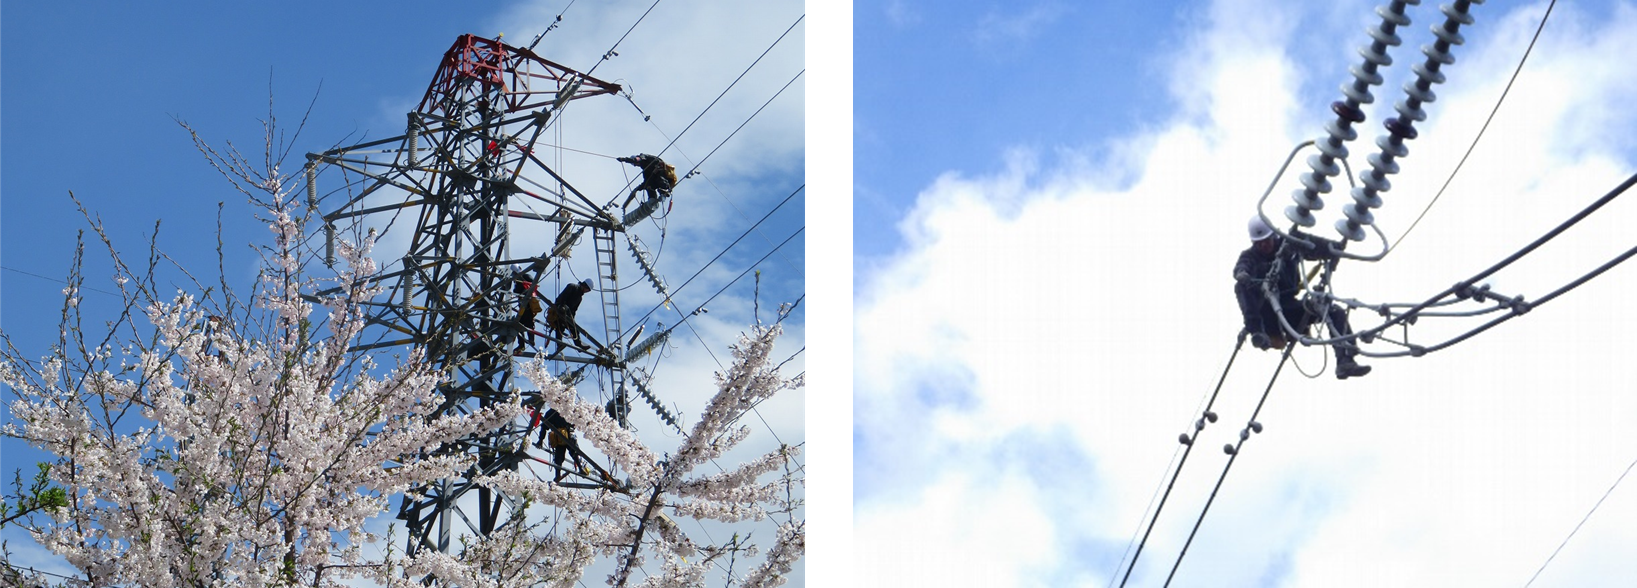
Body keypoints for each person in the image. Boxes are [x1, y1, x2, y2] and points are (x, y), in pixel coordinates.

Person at [1233, 215, 1371, 379]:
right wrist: (1242, 274)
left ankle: (1345, 360)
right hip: (1267, 316)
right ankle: (1256, 331)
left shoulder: (1288, 244)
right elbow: (1242, 266)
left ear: (1273, 236)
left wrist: (1335, 247)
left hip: (1290, 309)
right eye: (1258, 243)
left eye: (1266, 240)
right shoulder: (1250, 256)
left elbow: (1314, 245)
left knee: (1332, 310)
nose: (1263, 245)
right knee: (1241, 286)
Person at [533, 408, 585, 482]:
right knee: (564, 454)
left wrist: (540, 440)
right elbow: (544, 427)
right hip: (561, 436)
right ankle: (577, 469)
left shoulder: (563, 409)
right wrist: (540, 440)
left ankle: (578, 468)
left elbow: (544, 428)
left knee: (565, 454)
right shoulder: (561, 409)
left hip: (563, 435)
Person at [545, 280, 594, 350]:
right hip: (560, 307)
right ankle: (559, 344)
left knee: (574, 328)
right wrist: (561, 305)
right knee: (560, 326)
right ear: (585, 285)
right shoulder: (572, 287)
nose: (586, 291)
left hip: (567, 313)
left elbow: (574, 310)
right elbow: (563, 296)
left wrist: (572, 320)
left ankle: (578, 344)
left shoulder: (579, 298)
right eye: (587, 289)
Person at [512, 276, 543, 354]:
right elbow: (516, 291)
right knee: (519, 325)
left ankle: (530, 341)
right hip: (523, 306)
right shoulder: (518, 282)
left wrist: (527, 289)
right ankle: (522, 345)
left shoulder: (523, 277)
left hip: (527, 305)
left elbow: (533, 282)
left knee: (528, 323)